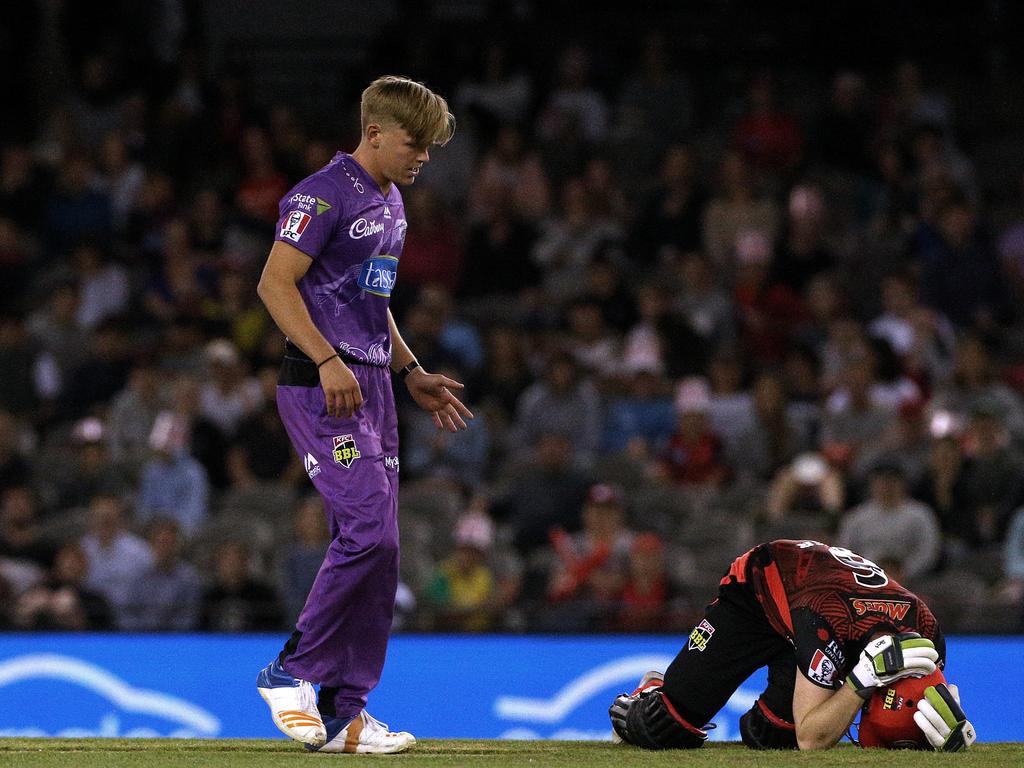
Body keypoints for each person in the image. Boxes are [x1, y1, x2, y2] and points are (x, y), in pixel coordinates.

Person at [254, 75, 473, 755]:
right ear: (374, 132)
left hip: (372, 385)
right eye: (416, 143)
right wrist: (325, 359)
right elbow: (273, 283)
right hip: (324, 384)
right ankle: (290, 669)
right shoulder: (320, 195)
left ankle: (347, 713)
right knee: (367, 535)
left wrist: (409, 372)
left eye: (431, 148)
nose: (424, 157)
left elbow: (373, 304)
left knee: (384, 554)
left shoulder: (393, 204)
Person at [608, 538, 974, 751]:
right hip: (757, 593)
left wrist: (950, 720)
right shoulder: (827, 619)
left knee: (773, 736)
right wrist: (861, 681)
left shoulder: (928, 638)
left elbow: (924, 693)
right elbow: (813, 738)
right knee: (667, 727)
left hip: (816, 609)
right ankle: (652, 689)